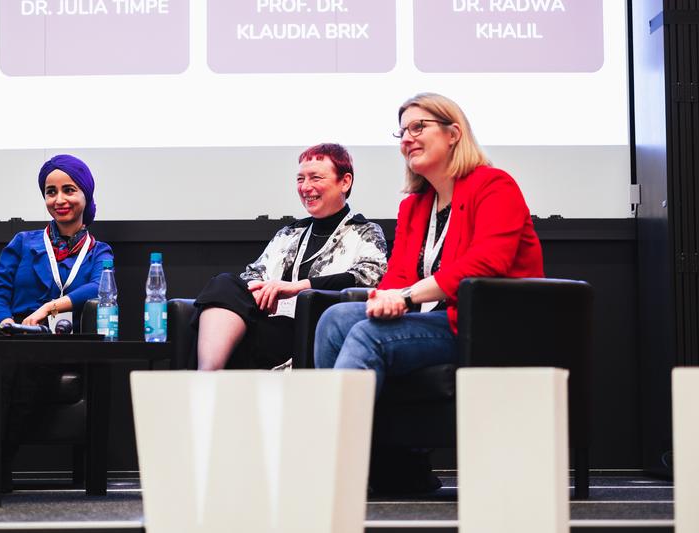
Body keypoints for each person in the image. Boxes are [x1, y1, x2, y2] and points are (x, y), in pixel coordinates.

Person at [313, 93, 544, 491]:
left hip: (482, 326)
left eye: (419, 127)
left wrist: (404, 299)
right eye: (402, 131)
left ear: (454, 133)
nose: (407, 138)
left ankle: (338, 470)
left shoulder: (494, 185)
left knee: (369, 335)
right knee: (335, 319)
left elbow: (487, 262)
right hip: (432, 320)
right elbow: (397, 274)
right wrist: (384, 299)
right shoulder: (416, 205)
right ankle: (387, 463)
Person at [194, 143, 388, 370]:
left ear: (345, 182)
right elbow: (253, 274)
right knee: (224, 283)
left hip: (312, 330)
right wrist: (261, 291)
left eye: (315, 178)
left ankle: (203, 382)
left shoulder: (365, 232)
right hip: (267, 322)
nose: (306, 187)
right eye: (300, 179)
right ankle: (206, 375)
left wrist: (297, 287)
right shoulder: (289, 233)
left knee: (227, 333)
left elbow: (368, 277)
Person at [0, 154, 113, 490]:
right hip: (15, 336)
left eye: (69, 190)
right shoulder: (22, 243)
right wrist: (7, 323)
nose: (59, 200)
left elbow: (99, 286)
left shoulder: (100, 251)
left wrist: (49, 308)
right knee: (3, 360)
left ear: (85, 195)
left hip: (64, 344)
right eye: (50, 192)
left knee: (34, 360)